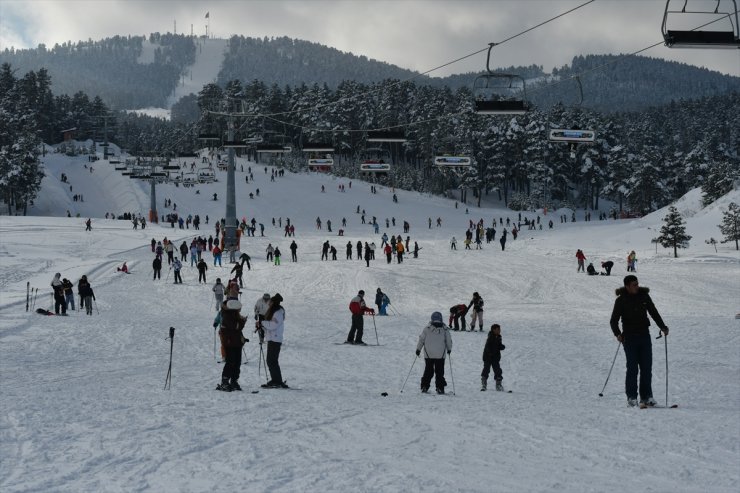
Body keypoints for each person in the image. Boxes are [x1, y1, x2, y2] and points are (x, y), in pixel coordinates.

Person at [610, 275, 669, 408]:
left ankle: (647, 396)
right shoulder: (621, 300)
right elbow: (613, 321)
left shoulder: (644, 296)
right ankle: (631, 397)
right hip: (629, 338)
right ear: (627, 286)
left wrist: (663, 327)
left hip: (644, 336)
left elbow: (654, 312)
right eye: (634, 285)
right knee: (632, 368)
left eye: (637, 284)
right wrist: (618, 334)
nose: (637, 286)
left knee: (646, 367)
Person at [416, 311, 452, 394]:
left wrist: (418, 349)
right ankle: (440, 388)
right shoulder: (444, 329)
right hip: (440, 355)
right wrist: (449, 349)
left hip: (429, 354)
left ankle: (424, 386)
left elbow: (421, 339)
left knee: (428, 370)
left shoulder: (427, 328)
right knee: (439, 372)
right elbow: (448, 340)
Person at [216, 299, 248, 392]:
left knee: (237, 362)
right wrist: (243, 321)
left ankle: (234, 381)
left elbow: (236, 328)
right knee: (230, 362)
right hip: (230, 343)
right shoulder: (227, 316)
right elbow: (236, 326)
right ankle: (225, 381)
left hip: (236, 342)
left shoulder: (232, 315)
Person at [259, 293, 288, 388]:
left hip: (275, 338)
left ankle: (277, 380)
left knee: (272, 360)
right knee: (271, 360)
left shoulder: (278, 312)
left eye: (271, 301)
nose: (269, 303)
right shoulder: (274, 311)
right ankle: (276, 380)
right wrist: (261, 325)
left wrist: (262, 323)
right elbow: (269, 325)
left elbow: (273, 325)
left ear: (274, 302)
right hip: (272, 338)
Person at [481, 324, 505, 391]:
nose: (499, 331)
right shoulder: (491, 336)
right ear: (493, 330)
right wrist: (489, 353)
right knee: (486, 369)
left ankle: (498, 384)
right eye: (498, 329)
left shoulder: (499, 337)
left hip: (495, 357)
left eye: (499, 329)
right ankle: (484, 384)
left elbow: (498, 345)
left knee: (497, 370)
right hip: (488, 357)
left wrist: (501, 346)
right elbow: (488, 346)